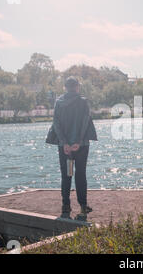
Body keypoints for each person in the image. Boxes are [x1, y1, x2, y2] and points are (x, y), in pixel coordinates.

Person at [47, 76, 97, 216]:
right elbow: (85, 122)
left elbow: (56, 123)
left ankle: (66, 206)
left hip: (64, 148)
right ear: (77, 87)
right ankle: (83, 206)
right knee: (80, 174)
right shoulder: (83, 101)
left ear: (65, 87)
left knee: (66, 175)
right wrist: (78, 142)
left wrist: (64, 143)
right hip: (81, 146)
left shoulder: (58, 102)